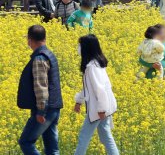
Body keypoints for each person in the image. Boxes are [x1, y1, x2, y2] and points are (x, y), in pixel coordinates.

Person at [17, 25, 63, 155]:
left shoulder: (39, 58)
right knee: (52, 148)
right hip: (54, 107)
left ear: (30, 40)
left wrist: (41, 111)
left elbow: (41, 86)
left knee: (26, 142)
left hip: (45, 110)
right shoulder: (49, 54)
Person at [73, 34, 118, 155]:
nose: (78, 48)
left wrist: (101, 109)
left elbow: (100, 89)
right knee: (106, 136)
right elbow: (89, 89)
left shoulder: (92, 67)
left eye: (80, 45)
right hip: (101, 107)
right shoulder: (95, 64)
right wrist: (79, 101)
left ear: (86, 48)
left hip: (98, 109)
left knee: (84, 136)